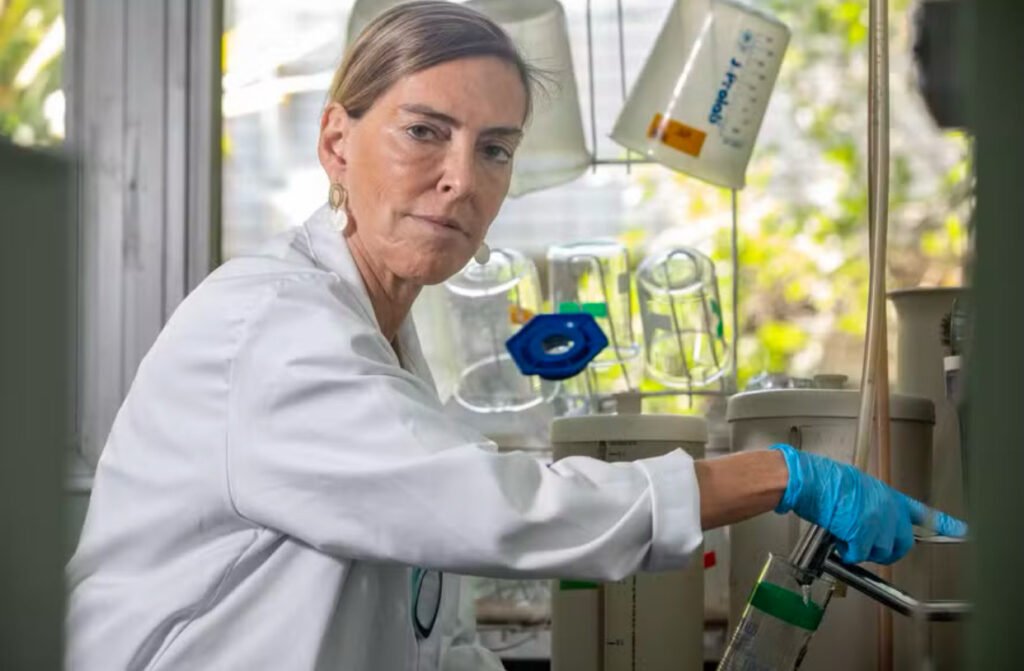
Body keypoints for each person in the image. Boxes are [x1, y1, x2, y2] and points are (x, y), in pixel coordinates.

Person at [65, 3, 966, 670]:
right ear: (336, 141)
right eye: (425, 132)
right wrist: (779, 473)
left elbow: (434, 637)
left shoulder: (384, 346)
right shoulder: (269, 329)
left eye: (495, 148)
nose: (461, 179)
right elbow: (499, 506)